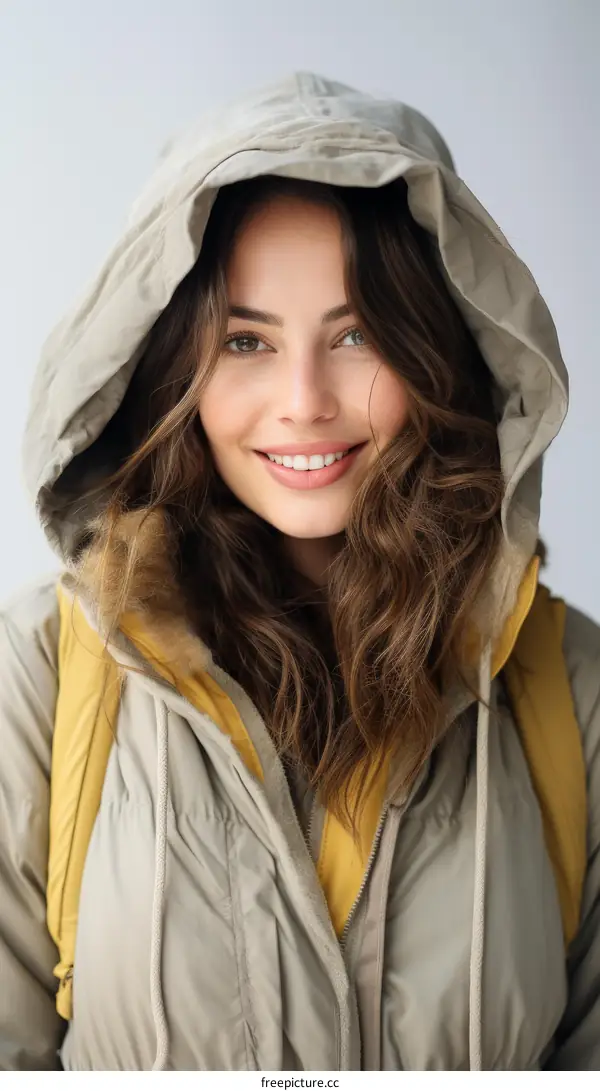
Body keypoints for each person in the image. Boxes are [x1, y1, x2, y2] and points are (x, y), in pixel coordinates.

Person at [1, 71, 598, 1072]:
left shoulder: (570, 684)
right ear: (171, 369)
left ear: (435, 351)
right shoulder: (43, 674)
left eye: (357, 333)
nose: (305, 400)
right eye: (245, 341)